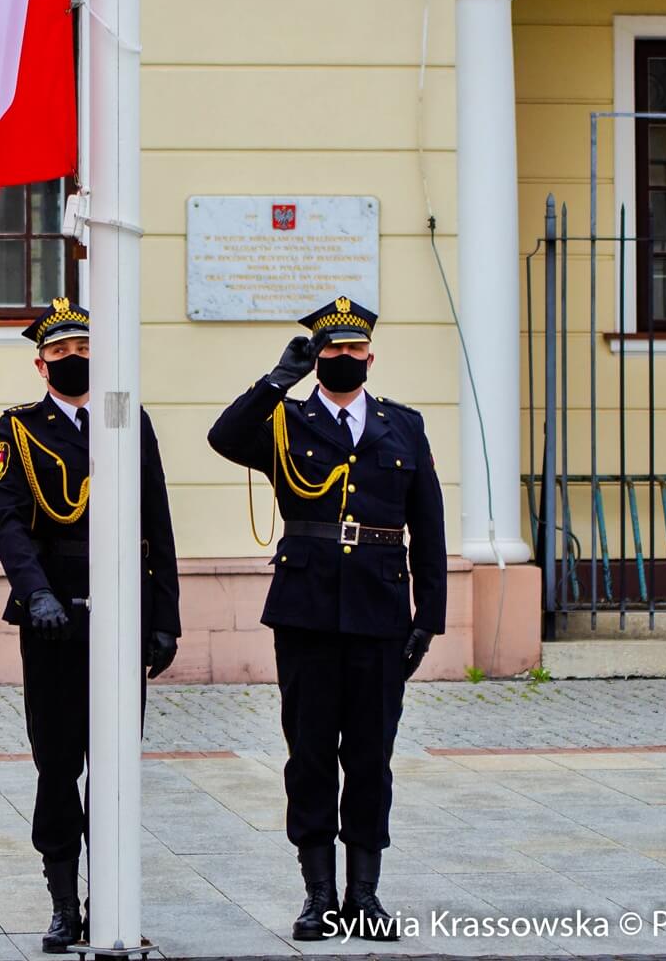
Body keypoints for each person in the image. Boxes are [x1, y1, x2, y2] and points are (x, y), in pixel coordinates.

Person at [205, 296, 446, 943]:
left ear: (371, 355)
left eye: (353, 348)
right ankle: (319, 897)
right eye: (331, 348)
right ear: (317, 356)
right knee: (310, 755)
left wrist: (429, 619)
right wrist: (277, 380)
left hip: (381, 611)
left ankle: (364, 895)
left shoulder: (404, 426)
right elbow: (224, 438)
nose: (344, 356)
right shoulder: (286, 420)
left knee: (370, 758)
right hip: (306, 612)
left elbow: (427, 526)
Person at [0, 298, 181, 953]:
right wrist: (35, 593)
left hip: (122, 612)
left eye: (84, 348)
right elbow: (9, 522)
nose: (74, 359)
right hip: (55, 621)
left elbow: (157, 521)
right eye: (61, 352)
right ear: (41, 366)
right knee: (59, 765)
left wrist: (165, 618)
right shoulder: (18, 428)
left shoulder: (128, 418)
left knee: (116, 768)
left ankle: (113, 904)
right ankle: (64, 906)